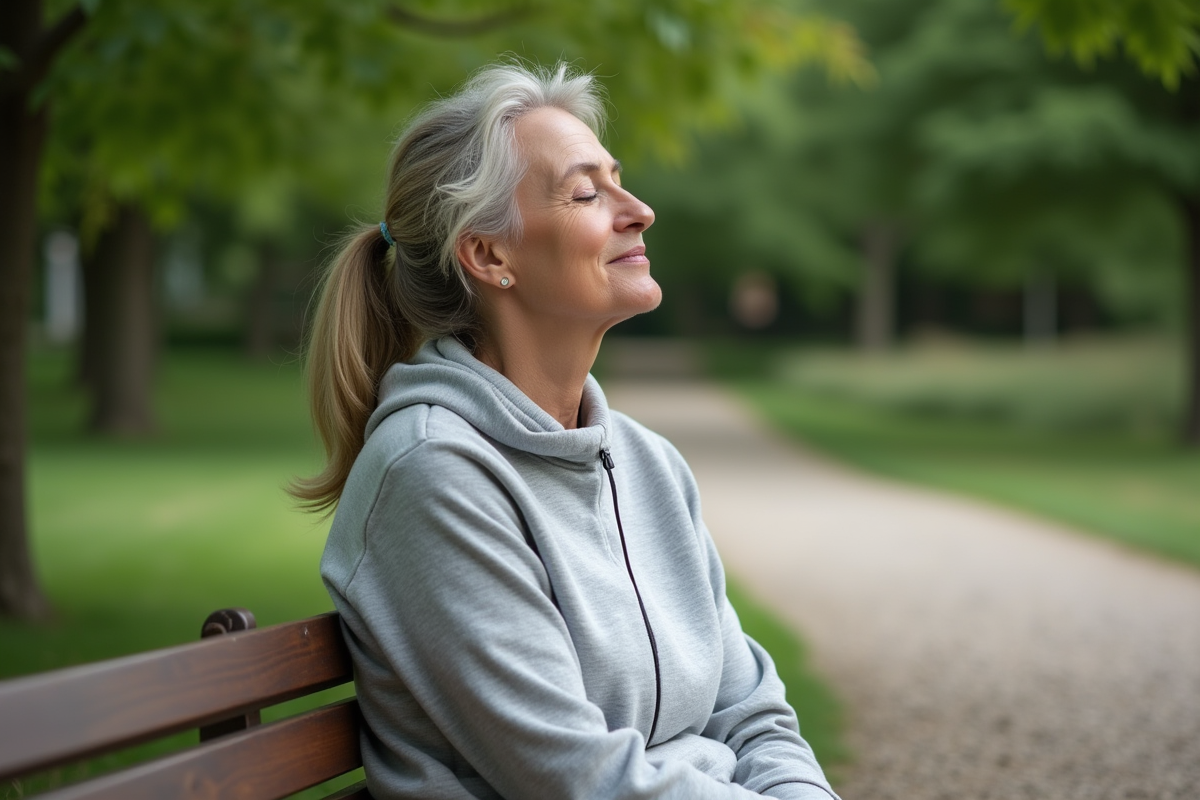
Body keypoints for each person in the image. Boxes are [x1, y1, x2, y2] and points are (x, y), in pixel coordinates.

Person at [293, 61, 839, 800]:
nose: (638, 208)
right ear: (490, 255)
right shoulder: (432, 474)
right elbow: (583, 781)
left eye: (618, 179)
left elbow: (751, 713)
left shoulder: (648, 465)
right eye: (587, 192)